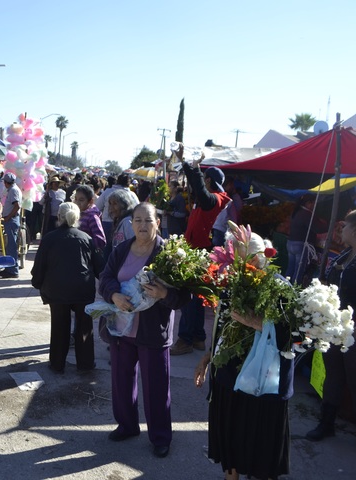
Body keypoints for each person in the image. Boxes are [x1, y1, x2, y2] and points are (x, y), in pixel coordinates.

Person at [195, 233, 295, 479]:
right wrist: (207, 357)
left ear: (262, 256)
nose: (240, 264)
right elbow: (222, 328)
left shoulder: (280, 286)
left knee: (259, 442)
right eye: (235, 257)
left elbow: (294, 335)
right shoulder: (232, 283)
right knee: (230, 434)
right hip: (229, 378)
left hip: (263, 384)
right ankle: (232, 474)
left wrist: (258, 323)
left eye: (246, 257)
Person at [99, 202, 190, 459]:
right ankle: (127, 426)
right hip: (121, 329)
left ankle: (160, 437)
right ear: (131, 223)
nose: (142, 225)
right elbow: (105, 278)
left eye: (148, 220)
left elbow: (184, 296)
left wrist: (164, 294)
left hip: (152, 332)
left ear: (157, 223)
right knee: (122, 382)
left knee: (156, 388)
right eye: (137, 220)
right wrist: (113, 294)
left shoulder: (168, 255)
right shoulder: (121, 250)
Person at [305, 204, 356, 458]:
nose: (342, 229)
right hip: (336, 326)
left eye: (345, 225)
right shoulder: (346, 255)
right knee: (333, 374)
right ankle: (326, 424)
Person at [31, 202, 104, 373]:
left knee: (59, 327)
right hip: (82, 290)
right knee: (84, 327)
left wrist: (38, 283)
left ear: (59, 217)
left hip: (56, 291)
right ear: (77, 218)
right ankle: (85, 365)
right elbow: (100, 267)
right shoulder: (86, 239)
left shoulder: (49, 238)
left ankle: (57, 364)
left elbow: (39, 266)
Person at [170, 160, 231, 355]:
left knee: (188, 298)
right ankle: (197, 338)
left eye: (205, 179)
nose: (202, 183)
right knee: (196, 298)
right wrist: (187, 166)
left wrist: (194, 168)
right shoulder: (209, 198)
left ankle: (185, 339)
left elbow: (201, 192)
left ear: (209, 180)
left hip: (201, 253)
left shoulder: (215, 198)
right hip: (198, 251)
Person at [285, 194, 325, 285]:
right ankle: (293, 292)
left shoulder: (297, 212)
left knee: (290, 268)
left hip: (291, 243)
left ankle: (284, 288)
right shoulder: (307, 214)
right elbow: (318, 228)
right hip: (301, 245)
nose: (315, 205)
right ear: (308, 203)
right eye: (314, 203)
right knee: (299, 270)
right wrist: (331, 225)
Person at [0, 172, 21, 278]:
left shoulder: (13, 190)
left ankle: (13, 270)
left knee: (11, 247)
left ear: (6, 182)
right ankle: (9, 267)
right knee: (9, 246)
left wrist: (8, 217)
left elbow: (17, 206)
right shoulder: (12, 189)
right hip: (11, 220)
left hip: (11, 221)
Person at [211, 176, 243, 247]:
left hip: (221, 228)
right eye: (231, 185)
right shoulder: (224, 198)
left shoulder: (228, 197)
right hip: (222, 229)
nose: (232, 186)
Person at [73, 184, 106, 252]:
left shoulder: (92, 217)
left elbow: (101, 240)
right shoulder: (76, 213)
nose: (77, 202)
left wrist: (82, 242)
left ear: (90, 201)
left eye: (81, 200)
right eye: (76, 199)